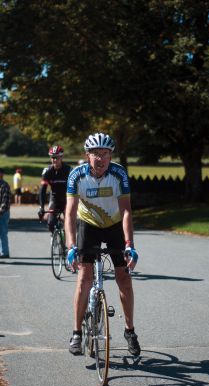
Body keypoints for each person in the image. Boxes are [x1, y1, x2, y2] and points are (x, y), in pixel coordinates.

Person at [65, 132, 141, 357]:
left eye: (105, 154)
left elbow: (126, 210)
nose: (100, 159)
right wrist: (70, 246)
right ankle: (77, 333)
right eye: (95, 154)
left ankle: (130, 331)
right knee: (84, 279)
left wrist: (129, 244)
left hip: (114, 224)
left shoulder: (119, 174)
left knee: (124, 279)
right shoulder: (76, 175)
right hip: (87, 224)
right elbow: (69, 212)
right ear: (87, 155)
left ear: (110, 155)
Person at [38, 146, 71, 233]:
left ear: (61, 157)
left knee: (69, 223)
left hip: (67, 199)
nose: (54, 160)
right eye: (52, 157)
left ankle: (67, 242)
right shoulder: (47, 171)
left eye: (57, 157)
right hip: (54, 199)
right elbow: (42, 190)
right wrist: (41, 207)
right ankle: (54, 239)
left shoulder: (68, 170)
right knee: (50, 223)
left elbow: (76, 188)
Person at [0, 168, 11, 258]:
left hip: (3, 213)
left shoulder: (4, 185)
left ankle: (4, 252)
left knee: (3, 232)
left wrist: (1, 210)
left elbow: (5, 200)